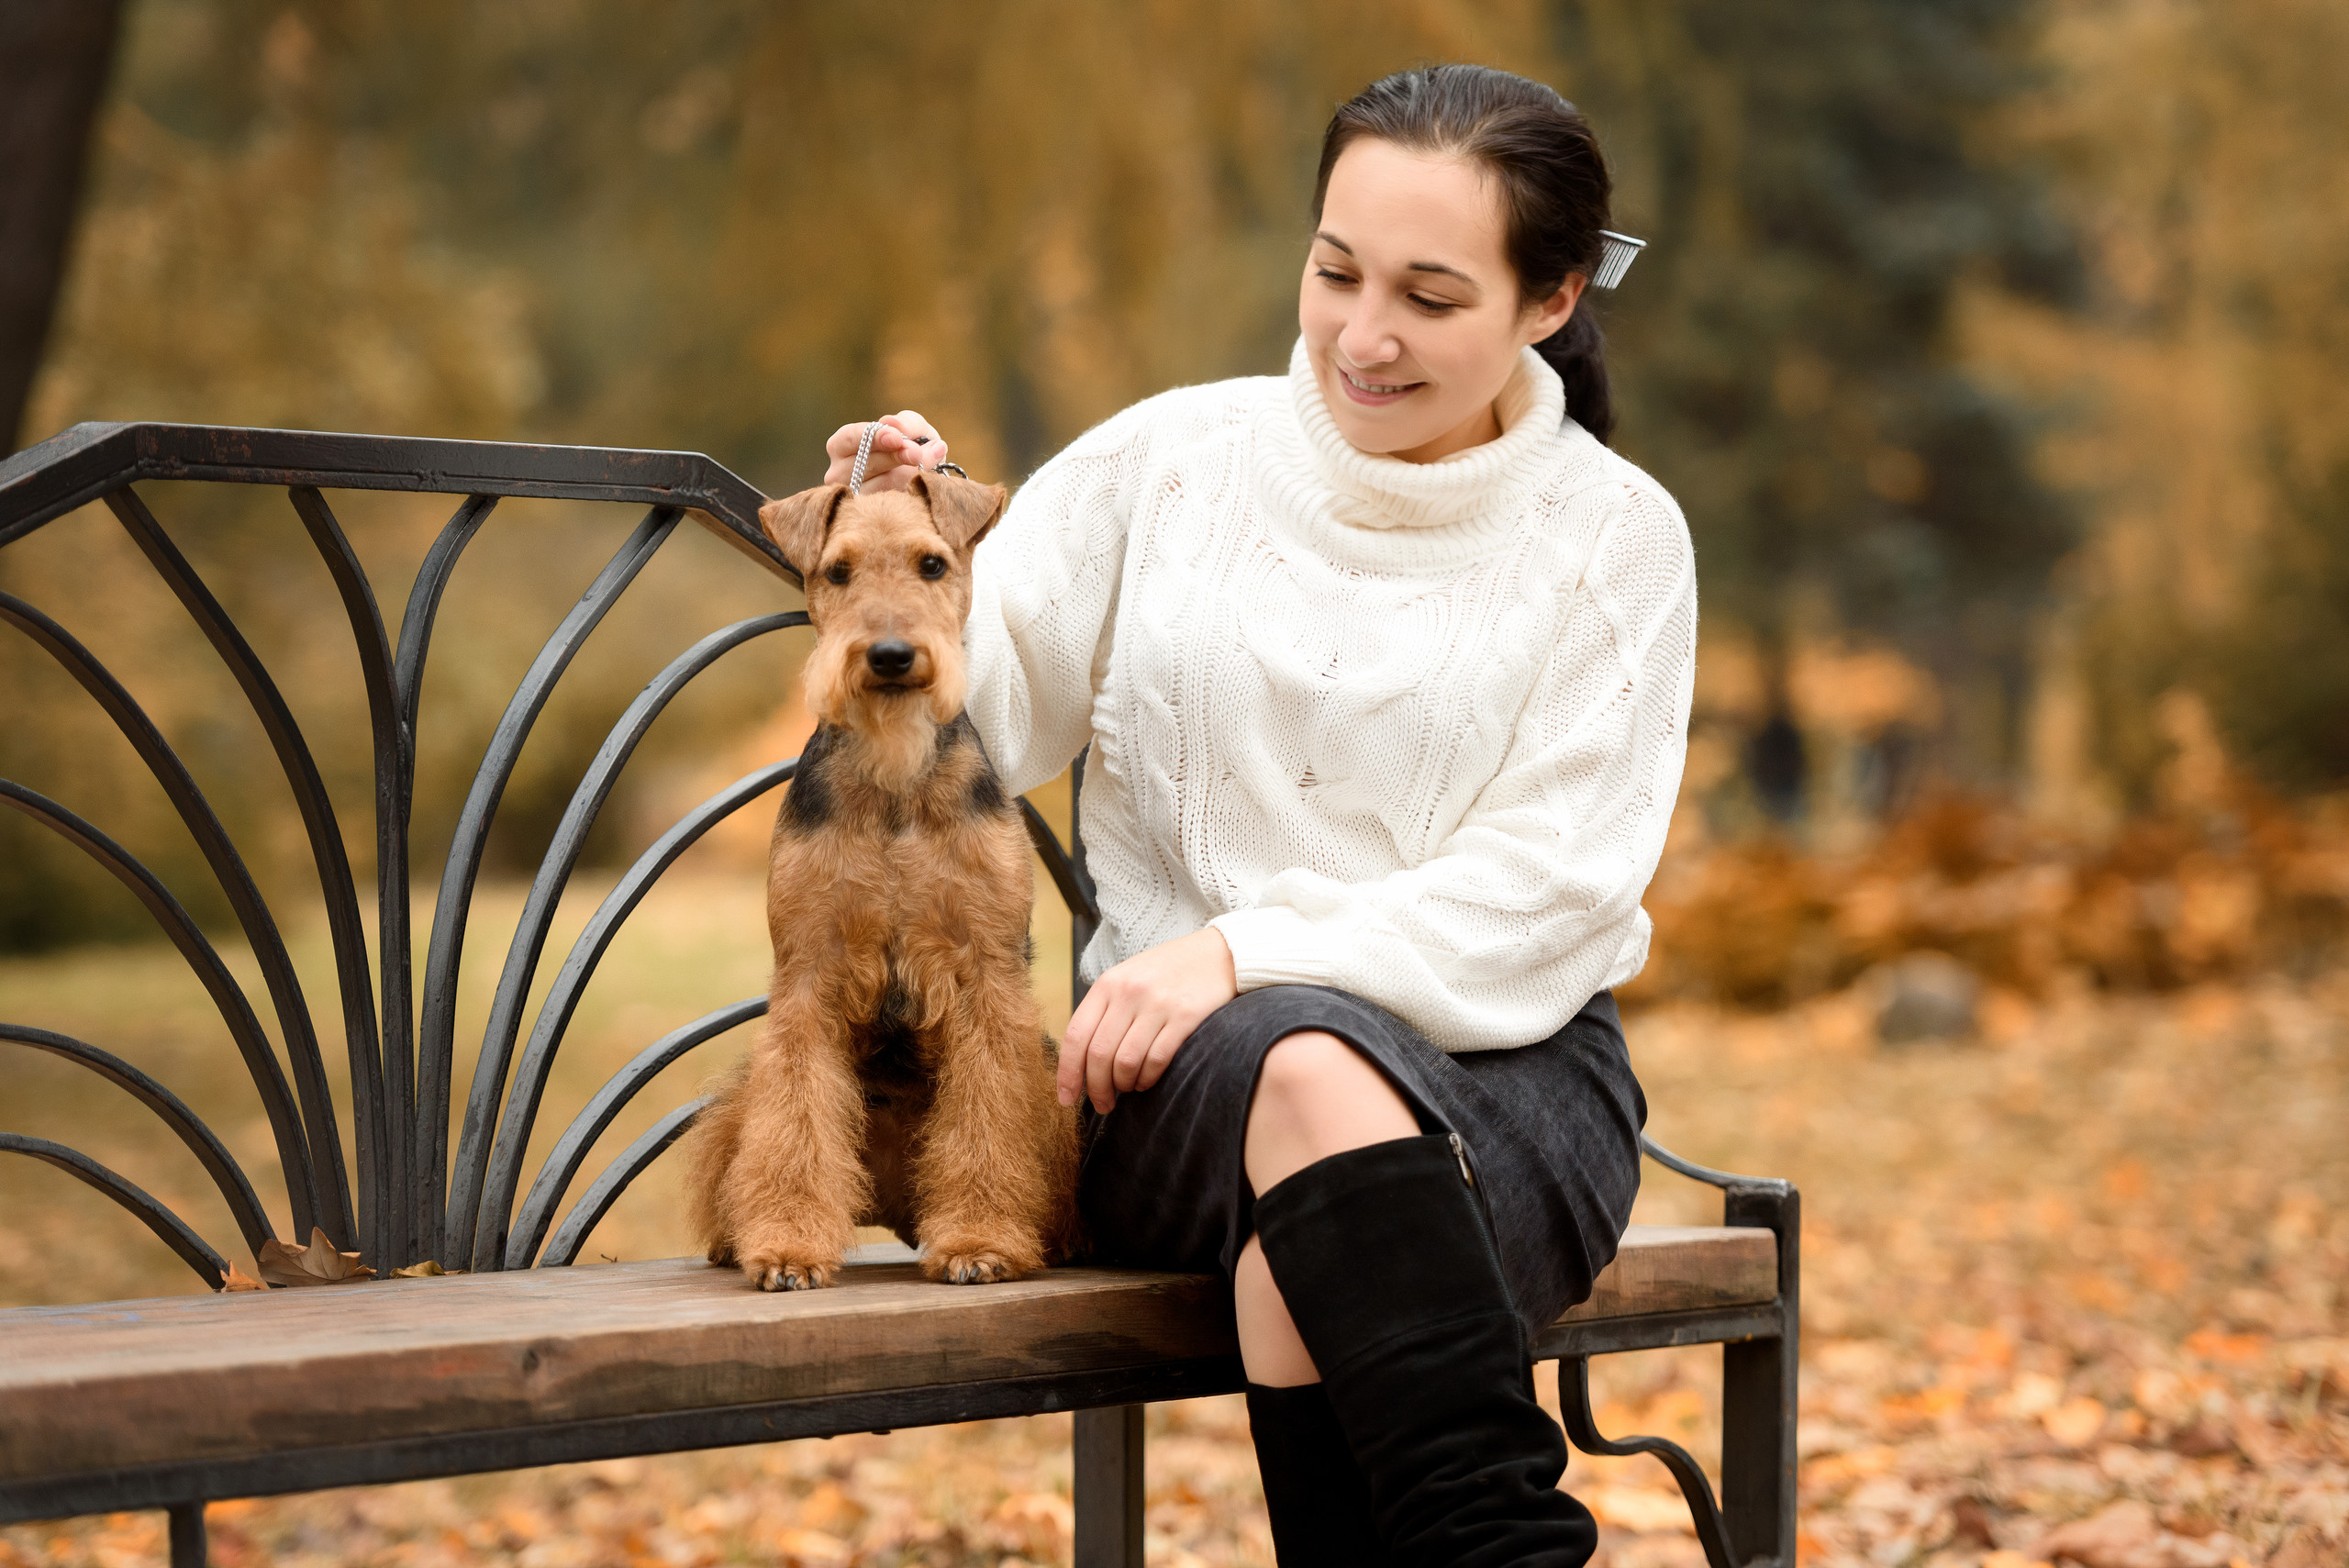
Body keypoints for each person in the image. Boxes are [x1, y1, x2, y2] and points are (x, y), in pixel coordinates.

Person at [822, 63, 1692, 1568]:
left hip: (1511, 1082)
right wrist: (916, 544)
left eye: (1430, 296)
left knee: (1310, 1177)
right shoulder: (1172, 463)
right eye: (1336, 270)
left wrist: (1239, 951)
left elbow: (1551, 890)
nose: (1364, 335)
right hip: (1171, 1092)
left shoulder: (1613, 537)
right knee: (1301, 1078)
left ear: (1547, 301)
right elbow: (982, 722)